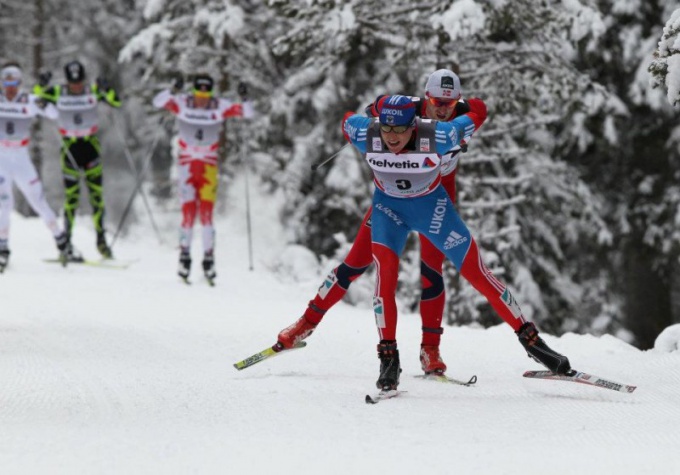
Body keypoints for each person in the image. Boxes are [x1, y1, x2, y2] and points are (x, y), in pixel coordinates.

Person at [341, 94, 571, 390]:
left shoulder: (440, 134)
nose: (393, 138)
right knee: (385, 275)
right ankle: (388, 359)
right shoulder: (366, 132)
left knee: (478, 272)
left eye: (401, 130)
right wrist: (376, 104)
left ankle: (533, 343)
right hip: (389, 212)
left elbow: (477, 114)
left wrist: (467, 104)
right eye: (387, 129)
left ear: (415, 125)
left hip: (434, 213)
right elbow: (347, 119)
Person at [277, 69, 488, 376]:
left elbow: (480, 108)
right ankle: (305, 324)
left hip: (437, 203)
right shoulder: (408, 115)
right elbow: (375, 106)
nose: (442, 109)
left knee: (431, 270)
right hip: (392, 202)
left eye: (449, 103)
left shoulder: (462, 118)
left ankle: (430, 350)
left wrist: (463, 108)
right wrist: (383, 110)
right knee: (353, 264)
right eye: (435, 101)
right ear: (424, 98)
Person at [153, 74, 254, 282]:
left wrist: (244, 97)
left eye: (205, 96)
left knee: (207, 216)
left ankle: (208, 260)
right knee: (188, 215)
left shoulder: (219, 106)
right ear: (194, 92)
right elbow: (158, 102)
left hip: (208, 168)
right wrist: (173, 90)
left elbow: (247, 113)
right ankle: (184, 258)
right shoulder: (183, 103)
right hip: (187, 167)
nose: (202, 100)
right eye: (199, 95)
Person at [33, 60, 122, 261]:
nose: (76, 86)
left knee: (96, 198)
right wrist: (41, 85)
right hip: (70, 149)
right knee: (71, 200)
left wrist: (107, 89)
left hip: (90, 147)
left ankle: (102, 243)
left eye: (79, 82)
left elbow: (116, 102)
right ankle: (67, 244)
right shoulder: (58, 92)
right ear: (67, 80)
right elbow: (35, 99)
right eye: (73, 83)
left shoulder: (92, 90)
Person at [0, 62, 69, 272]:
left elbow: (53, 114)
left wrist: (44, 99)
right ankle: (3, 248)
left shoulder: (28, 100)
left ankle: (60, 239)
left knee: (37, 199)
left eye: (14, 83)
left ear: (20, 84)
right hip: (1, 157)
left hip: (21, 158)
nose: (10, 88)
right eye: (7, 83)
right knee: (3, 202)